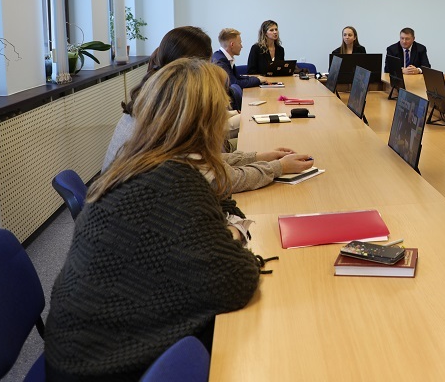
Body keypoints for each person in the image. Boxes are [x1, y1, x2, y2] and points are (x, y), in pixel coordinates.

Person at [45, 59, 262, 381]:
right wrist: (234, 233)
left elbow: (216, 211)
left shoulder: (137, 162)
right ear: (206, 122)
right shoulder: (174, 181)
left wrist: (222, 231)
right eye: (223, 108)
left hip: (75, 348)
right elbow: (235, 281)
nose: (227, 115)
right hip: (101, 366)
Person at [103, 26, 313, 191]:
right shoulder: (171, 112)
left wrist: (262, 156)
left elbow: (202, 160)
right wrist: (279, 167)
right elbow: (218, 179)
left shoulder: (154, 98)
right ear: (192, 67)